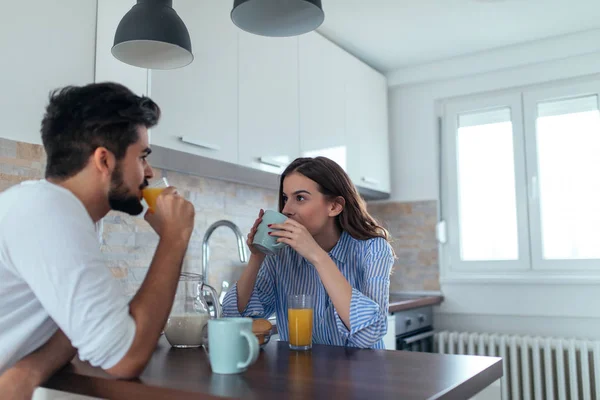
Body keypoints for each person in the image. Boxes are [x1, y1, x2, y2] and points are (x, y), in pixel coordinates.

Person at [0, 82, 195, 398]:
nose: (148, 171)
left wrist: (30, 369)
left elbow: (78, 331)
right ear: (104, 160)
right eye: (141, 156)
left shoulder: (57, 211)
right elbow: (124, 357)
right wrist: (175, 237)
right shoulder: (50, 214)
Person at [222, 157, 395, 349]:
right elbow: (233, 320)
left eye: (300, 198)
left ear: (334, 206)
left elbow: (369, 334)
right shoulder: (281, 254)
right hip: (299, 372)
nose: (286, 209)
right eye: (286, 198)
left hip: (360, 376)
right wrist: (257, 257)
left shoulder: (374, 249)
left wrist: (318, 256)